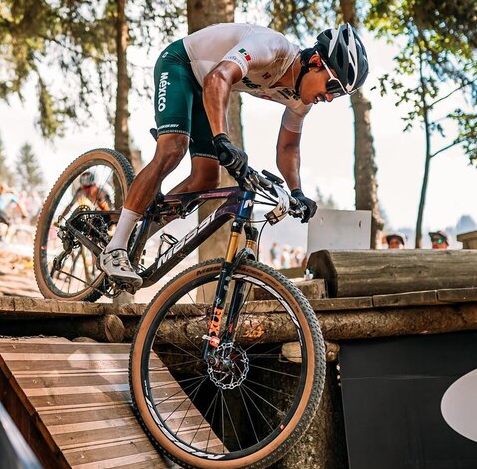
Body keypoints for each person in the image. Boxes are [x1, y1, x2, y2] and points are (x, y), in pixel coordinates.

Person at [98, 23, 370, 287]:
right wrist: (222, 140)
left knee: (206, 179)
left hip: (207, 86)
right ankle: (116, 246)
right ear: (315, 63)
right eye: (333, 87)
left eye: (340, 95)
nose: (331, 98)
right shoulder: (273, 48)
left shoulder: (300, 99)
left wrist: (297, 191)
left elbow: (288, 148)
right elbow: (219, 77)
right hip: (181, 64)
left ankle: (138, 234)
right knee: (173, 148)